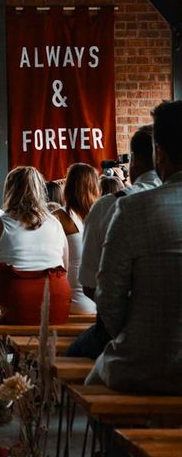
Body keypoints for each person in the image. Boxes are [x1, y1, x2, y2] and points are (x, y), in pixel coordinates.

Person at [86, 100, 182, 393]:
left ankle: (113, 441)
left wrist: (132, 334)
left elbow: (108, 296)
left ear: (160, 154)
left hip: (148, 364)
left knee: (90, 388)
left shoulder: (131, 209)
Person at [67, 126, 160, 359]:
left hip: (116, 333)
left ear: (134, 161)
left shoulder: (107, 206)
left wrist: (122, 322)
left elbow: (89, 285)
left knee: (70, 358)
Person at [0, 166, 71, 324]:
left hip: (15, 302)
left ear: (9, 190)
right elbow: (65, 266)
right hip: (56, 303)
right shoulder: (55, 223)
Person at [52, 163, 99, 315]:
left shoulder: (58, 217)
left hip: (72, 302)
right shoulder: (102, 214)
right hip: (99, 301)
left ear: (68, 185)